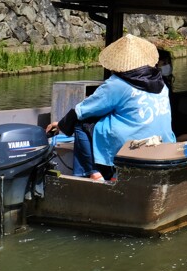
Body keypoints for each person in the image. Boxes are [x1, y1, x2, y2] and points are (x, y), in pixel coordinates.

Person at [46, 34, 175, 181]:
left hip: (133, 143)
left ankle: (94, 174)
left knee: (81, 125)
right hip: (164, 141)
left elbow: (84, 109)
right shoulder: (161, 84)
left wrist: (61, 124)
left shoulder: (117, 83)